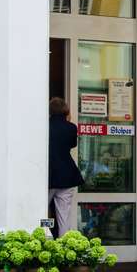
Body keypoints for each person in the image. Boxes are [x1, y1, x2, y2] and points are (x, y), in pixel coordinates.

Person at [48, 98, 84, 235]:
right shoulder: (71, 127)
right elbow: (72, 144)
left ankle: (43, 239)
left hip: (48, 175)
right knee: (64, 216)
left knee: (40, 212)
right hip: (67, 175)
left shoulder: (44, 126)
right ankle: (63, 244)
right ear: (66, 110)